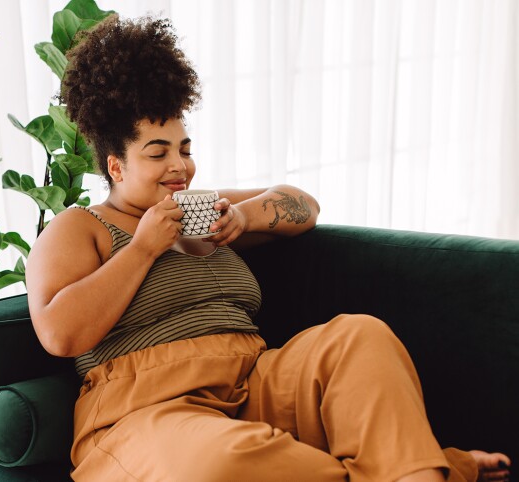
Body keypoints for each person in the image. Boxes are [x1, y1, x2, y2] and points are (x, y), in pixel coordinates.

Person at [25, 14, 511, 482]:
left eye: (185, 148)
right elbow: (60, 334)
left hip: (254, 382)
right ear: (115, 166)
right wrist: (143, 249)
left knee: (361, 339)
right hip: (146, 413)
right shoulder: (80, 227)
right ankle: (423, 467)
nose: (181, 166)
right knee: (222, 465)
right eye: (158, 152)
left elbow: (303, 205)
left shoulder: (202, 207)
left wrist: (243, 216)